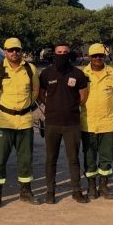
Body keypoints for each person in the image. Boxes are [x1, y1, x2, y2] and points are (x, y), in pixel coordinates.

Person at [0, 37, 40, 208]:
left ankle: (26, 191)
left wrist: (25, 107)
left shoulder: (30, 69)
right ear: (5, 51)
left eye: (17, 50)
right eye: (10, 50)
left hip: (25, 122)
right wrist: (3, 109)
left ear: (21, 51)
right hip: (3, 122)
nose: (14, 53)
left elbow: (35, 91)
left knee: (25, 159)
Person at [38, 42, 90, 203]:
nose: (62, 55)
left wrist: (70, 107)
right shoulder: (46, 73)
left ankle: (76, 191)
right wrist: (52, 107)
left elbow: (83, 96)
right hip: (52, 123)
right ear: (54, 54)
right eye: (59, 52)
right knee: (50, 159)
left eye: (65, 52)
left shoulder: (78, 74)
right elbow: (41, 95)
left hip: (72, 124)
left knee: (73, 159)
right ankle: (50, 192)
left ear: (70, 54)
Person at [80, 43, 113, 200]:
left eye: (101, 55)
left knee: (107, 156)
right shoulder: (83, 74)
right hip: (88, 123)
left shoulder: (112, 73)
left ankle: (104, 186)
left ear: (104, 56)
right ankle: (91, 186)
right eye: (94, 56)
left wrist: (109, 108)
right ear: (89, 57)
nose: (98, 58)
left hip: (107, 123)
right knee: (89, 156)